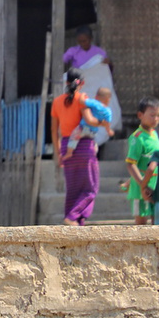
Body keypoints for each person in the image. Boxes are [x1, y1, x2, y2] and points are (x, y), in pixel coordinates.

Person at [52, 68, 100, 225]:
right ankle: (73, 217)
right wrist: (102, 121)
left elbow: (54, 130)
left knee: (73, 190)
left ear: (66, 83)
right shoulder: (82, 98)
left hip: (67, 147)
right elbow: (89, 120)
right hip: (84, 145)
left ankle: (73, 224)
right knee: (90, 188)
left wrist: (58, 152)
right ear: (82, 83)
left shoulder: (57, 101)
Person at [126, 97, 159, 225]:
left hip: (154, 186)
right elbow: (131, 164)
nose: (156, 119)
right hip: (140, 189)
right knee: (141, 224)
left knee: (156, 222)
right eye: (152, 115)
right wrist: (143, 184)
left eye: (158, 115)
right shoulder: (137, 138)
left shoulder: (154, 134)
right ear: (140, 115)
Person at [61, 86, 114, 161]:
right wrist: (109, 131)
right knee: (93, 142)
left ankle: (69, 152)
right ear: (108, 99)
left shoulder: (94, 103)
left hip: (83, 128)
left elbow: (82, 101)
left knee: (74, 136)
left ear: (96, 97)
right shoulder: (108, 111)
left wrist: (83, 94)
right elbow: (107, 123)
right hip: (93, 131)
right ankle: (94, 152)